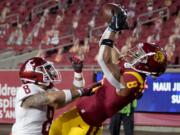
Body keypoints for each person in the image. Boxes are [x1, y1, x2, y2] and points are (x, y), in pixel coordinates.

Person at [49, 4, 167, 135]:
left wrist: (112, 28)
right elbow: (104, 45)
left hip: (86, 125)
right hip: (75, 113)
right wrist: (113, 28)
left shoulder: (133, 81)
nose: (135, 55)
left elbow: (102, 59)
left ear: (147, 66)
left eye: (140, 55)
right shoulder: (130, 68)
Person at [11, 56, 93, 135]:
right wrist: (81, 92)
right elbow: (52, 98)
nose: (50, 71)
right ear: (34, 74)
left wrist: (78, 72)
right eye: (44, 69)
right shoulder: (27, 88)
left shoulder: (47, 90)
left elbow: (74, 93)